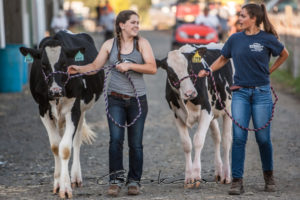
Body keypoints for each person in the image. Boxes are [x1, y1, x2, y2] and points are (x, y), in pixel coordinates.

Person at [198, 3, 289, 195]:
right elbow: (223, 58)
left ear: (254, 18)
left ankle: (269, 176)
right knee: (238, 138)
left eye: (242, 16)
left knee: (263, 139)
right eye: (239, 15)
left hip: (262, 94)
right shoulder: (235, 39)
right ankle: (237, 181)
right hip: (239, 93)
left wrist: (269, 71)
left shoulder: (267, 38)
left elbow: (284, 54)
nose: (239, 19)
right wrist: (208, 70)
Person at [68, 10, 157, 196]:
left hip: (137, 100)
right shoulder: (109, 44)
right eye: (133, 22)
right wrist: (77, 69)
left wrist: (129, 65)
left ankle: (134, 181)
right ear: (121, 25)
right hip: (115, 99)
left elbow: (152, 68)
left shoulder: (142, 43)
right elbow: (94, 67)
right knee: (115, 141)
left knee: (136, 143)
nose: (136, 26)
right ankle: (115, 180)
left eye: (138, 23)